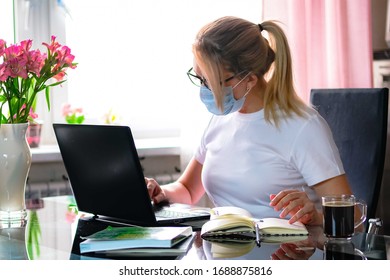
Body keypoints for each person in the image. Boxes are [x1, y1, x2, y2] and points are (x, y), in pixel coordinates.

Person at [146, 16, 352, 226]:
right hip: (225, 251)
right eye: (200, 78)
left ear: (249, 80)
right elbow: (188, 190)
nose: (204, 90)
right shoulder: (220, 120)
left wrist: (315, 216)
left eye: (210, 82)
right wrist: (159, 194)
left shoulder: (303, 127)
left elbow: (353, 220)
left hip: (286, 253)